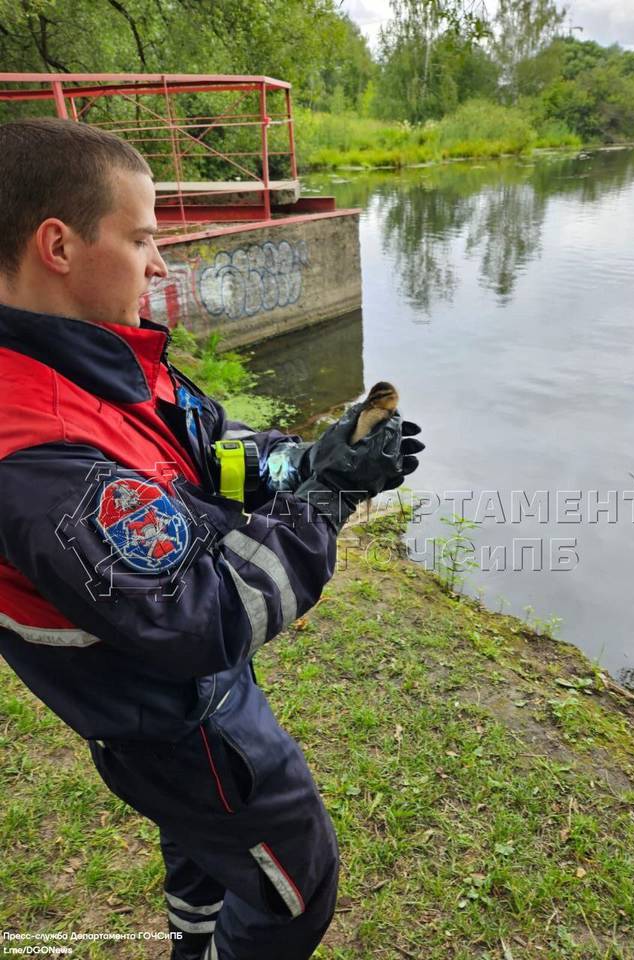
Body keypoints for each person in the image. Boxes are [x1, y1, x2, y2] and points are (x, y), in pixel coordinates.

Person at [0, 118, 423, 960]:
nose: (160, 263)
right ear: (59, 245)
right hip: (176, 719)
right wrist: (328, 498)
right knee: (294, 889)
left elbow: (204, 456)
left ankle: (193, 946)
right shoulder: (34, 446)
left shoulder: (95, 360)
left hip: (174, 711)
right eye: (143, 237)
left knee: (202, 850)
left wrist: (306, 460)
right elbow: (201, 617)